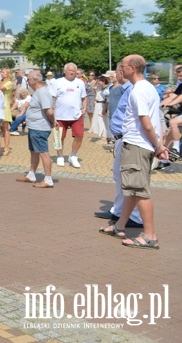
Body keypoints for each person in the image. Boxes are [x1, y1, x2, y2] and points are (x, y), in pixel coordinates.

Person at [99, 55, 166, 250]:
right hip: (141, 144)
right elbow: (156, 120)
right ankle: (120, 225)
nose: (120, 69)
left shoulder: (137, 91)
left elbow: (146, 123)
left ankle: (149, 235)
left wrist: (159, 146)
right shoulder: (150, 89)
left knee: (139, 191)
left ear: (132, 68)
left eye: (123, 66)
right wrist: (158, 145)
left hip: (137, 144)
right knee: (132, 188)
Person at [94, 61, 143, 228]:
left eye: (118, 71)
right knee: (118, 176)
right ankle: (118, 210)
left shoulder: (133, 90)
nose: (116, 74)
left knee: (129, 179)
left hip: (129, 138)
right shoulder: (124, 89)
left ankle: (135, 217)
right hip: (121, 138)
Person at [14, 70, 55, 187]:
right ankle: (31, 174)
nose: (28, 82)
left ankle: (48, 179)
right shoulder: (37, 92)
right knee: (33, 152)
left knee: (43, 153)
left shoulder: (42, 92)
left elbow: (49, 111)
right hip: (34, 126)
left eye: (29, 80)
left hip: (40, 128)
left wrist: (53, 122)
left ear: (35, 80)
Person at [52, 62, 85, 168]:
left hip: (76, 115)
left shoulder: (80, 82)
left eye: (74, 71)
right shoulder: (57, 82)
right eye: (70, 70)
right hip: (60, 115)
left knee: (79, 135)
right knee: (58, 137)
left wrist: (84, 108)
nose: (72, 72)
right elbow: (53, 98)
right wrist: (52, 114)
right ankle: (60, 156)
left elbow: (84, 97)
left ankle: (73, 156)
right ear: (64, 71)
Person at [0, 67, 15, 157]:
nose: (1, 73)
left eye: (3, 72)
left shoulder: (9, 83)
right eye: (1, 72)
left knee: (5, 128)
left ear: (8, 74)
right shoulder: (1, 81)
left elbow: (0, 88)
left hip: (4, 105)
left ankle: (6, 147)